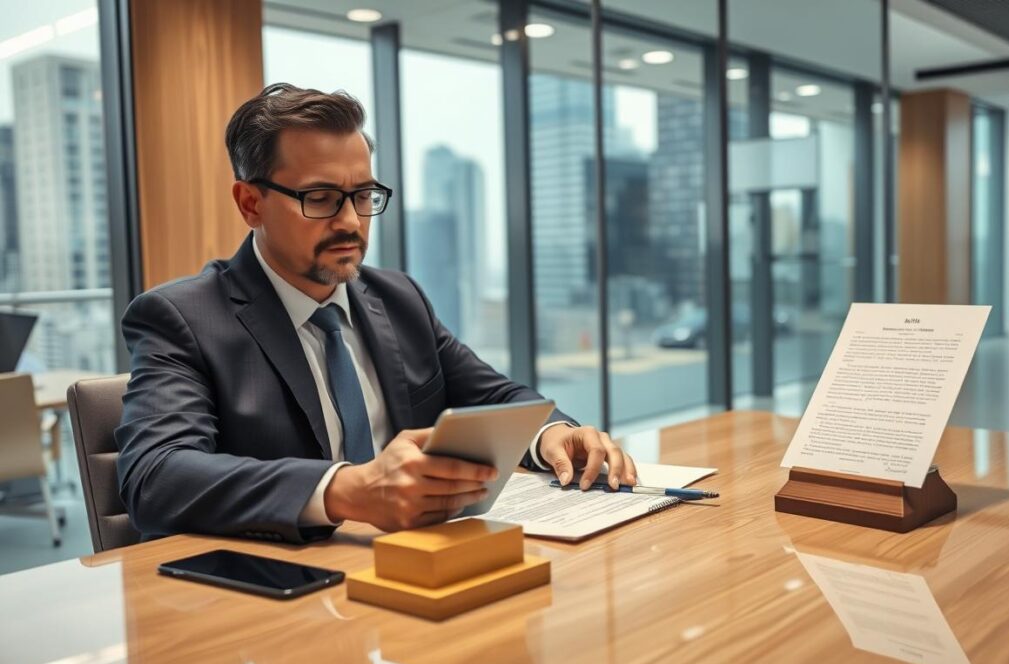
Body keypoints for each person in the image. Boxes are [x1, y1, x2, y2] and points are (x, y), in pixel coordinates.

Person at [115, 83, 636, 543]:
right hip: (272, 599)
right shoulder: (181, 317)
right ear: (251, 203)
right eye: (320, 198)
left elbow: (496, 398)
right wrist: (345, 490)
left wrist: (552, 438)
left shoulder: (397, 297)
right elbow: (155, 476)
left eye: (363, 196)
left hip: (406, 575)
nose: (351, 222)